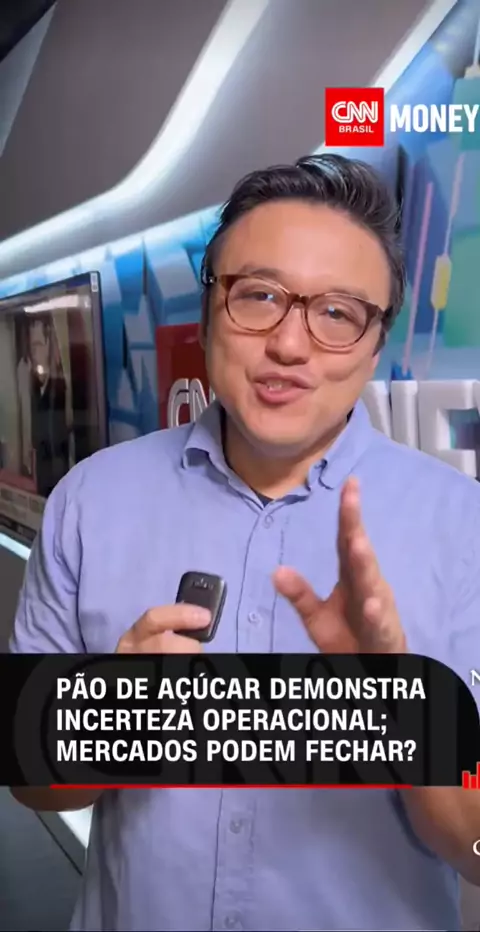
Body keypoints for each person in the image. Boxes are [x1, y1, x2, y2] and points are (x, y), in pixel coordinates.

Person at [9, 154, 480, 932]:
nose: (290, 344)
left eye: (337, 312)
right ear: (208, 311)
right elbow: (33, 783)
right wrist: (112, 715)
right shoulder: (89, 501)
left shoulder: (463, 527)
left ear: (375, 345)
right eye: (258, 295)